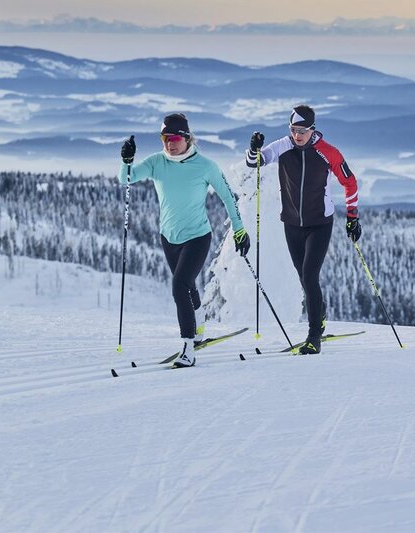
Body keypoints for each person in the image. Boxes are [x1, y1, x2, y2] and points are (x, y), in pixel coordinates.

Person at [119, 113, 250, 367]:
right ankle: (199, 321)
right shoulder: (157, 162)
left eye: (176, 138)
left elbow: (228, 197)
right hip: (168, 237)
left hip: (198, 237)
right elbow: (127, 178)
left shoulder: (205, 165)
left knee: (179, 284)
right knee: (188, 285)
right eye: (165, 138)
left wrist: (239, 230)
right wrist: (125, 160)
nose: (170, 143)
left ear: (188, 138)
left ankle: (189, 347)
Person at [245, 105, 360, 354]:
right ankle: (319, 313)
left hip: (320, 223)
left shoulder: (328, 152)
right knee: (305, 279)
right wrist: (253, 148)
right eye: (294, 130)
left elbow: (349, 182)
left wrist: (353, 216)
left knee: (309, 276)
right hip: (292, 223)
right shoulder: (282, 147)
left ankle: (313, 337)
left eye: (302, 131)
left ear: (312, 129)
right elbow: (253, 163)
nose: (297, 135)